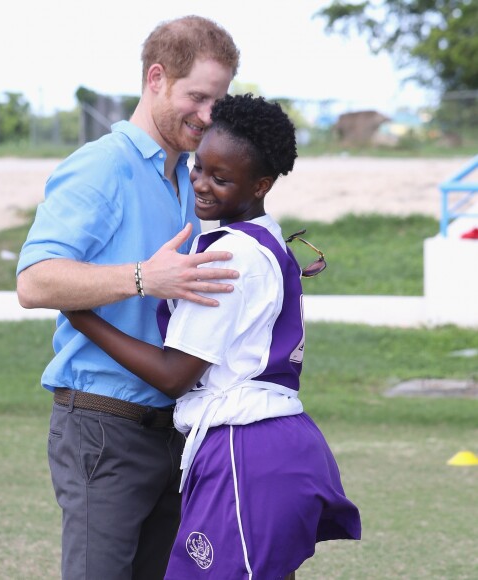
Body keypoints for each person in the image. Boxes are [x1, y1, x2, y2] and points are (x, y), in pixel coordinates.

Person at [64, 93, 362, 579]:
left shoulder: (230, 258)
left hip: (245, 448)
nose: (201, 184)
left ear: (262, 184)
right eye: (199, 168)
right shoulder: (264, 241)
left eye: (221, 178)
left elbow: (174, 374)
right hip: (273, 442)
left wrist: (82, 316)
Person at [16, 15, 240, 580]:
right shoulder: (102, 166)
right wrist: (145, 277)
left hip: (177, 429)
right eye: (198, 97)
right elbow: (34, 281)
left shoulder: (188, 177)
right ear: (157, 78)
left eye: (219, 101)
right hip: (102, 428)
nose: (209, 116)